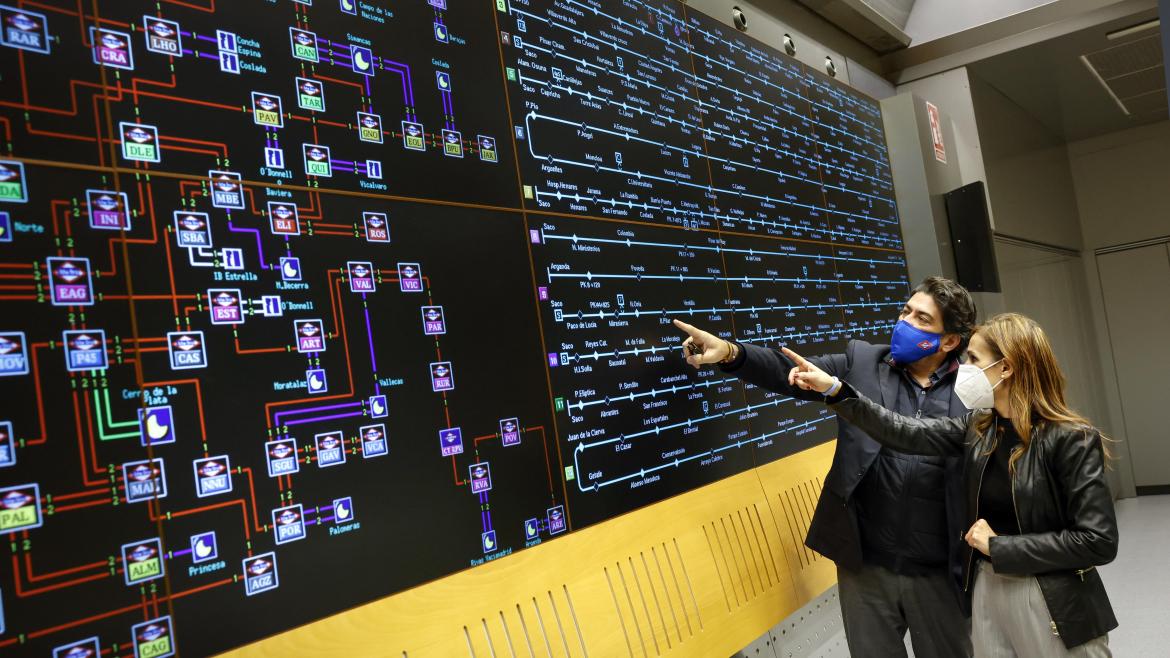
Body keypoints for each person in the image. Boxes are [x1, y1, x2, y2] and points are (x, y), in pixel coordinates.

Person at [782, 312, 1118, 657]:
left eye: (974, 359)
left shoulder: (1071, 439)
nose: (965, 369)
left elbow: (1098, 541)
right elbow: (902, 431)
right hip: (989, 588)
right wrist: (836, 392)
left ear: (1007, 368)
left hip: (1051, 596)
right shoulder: (979, 428)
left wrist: (1001, 547)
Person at [674, 276, 976, 658]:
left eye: (922, 319)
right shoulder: (864, 363)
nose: (906, 322)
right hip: (866, 567)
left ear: (949, 341)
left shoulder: (972, 390)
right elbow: (789, 372)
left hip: (939, 572)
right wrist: (732, 353)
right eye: (906, 311)